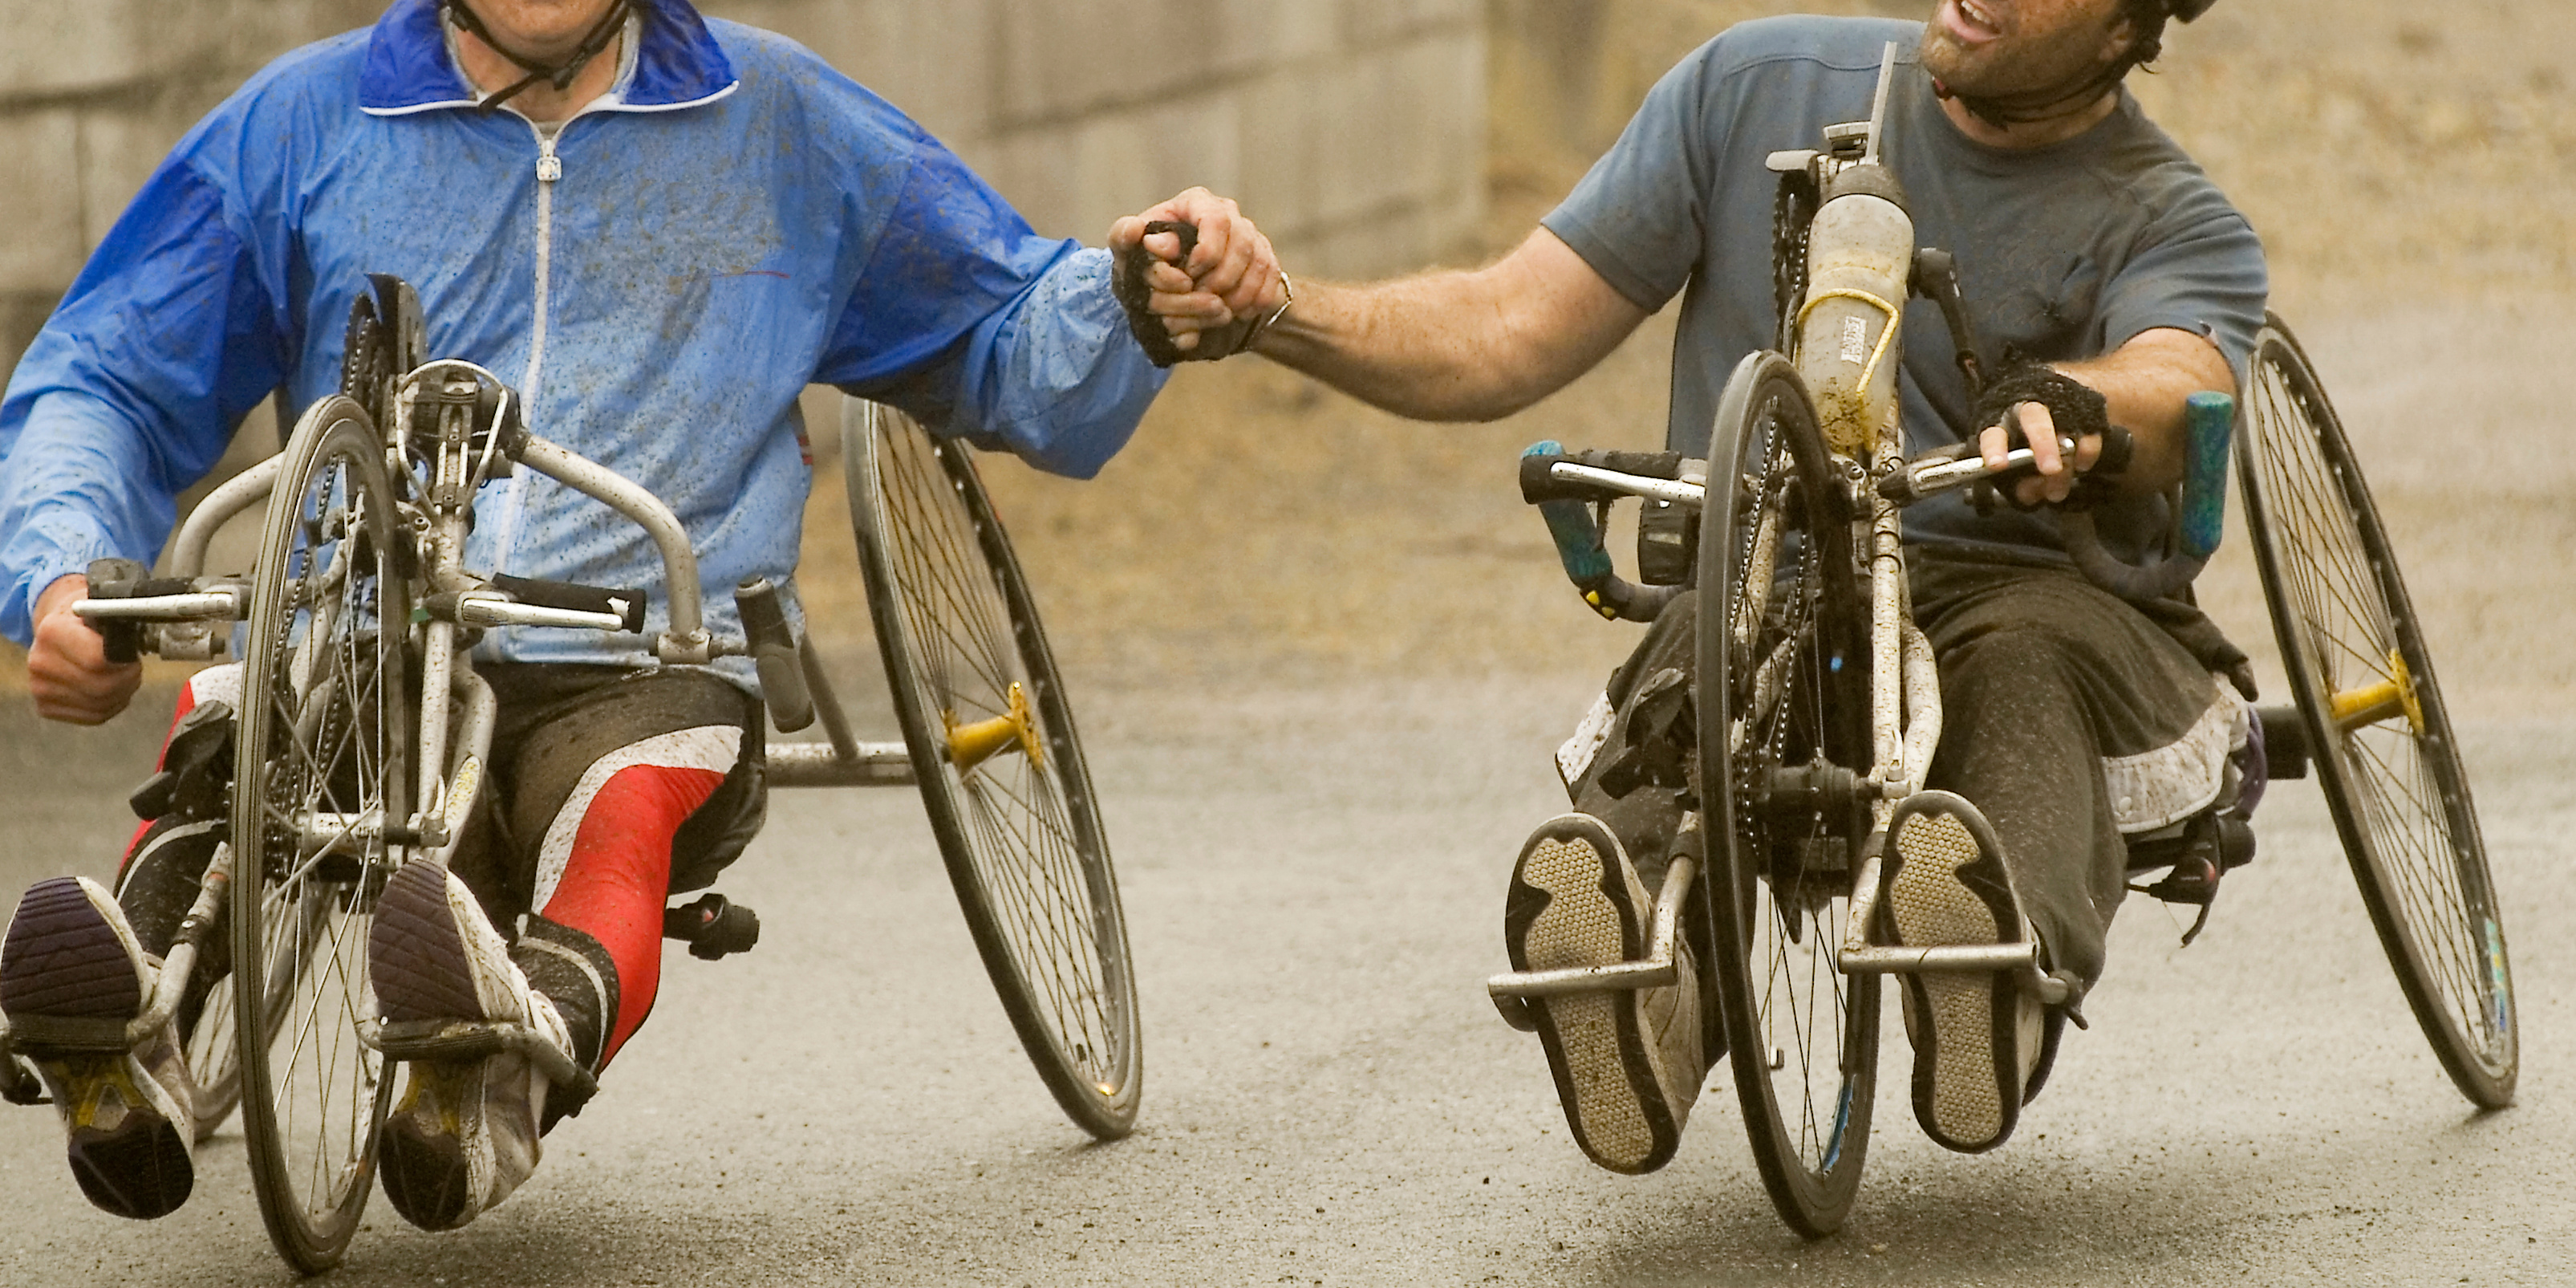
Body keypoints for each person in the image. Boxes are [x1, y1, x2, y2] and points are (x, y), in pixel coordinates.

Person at [0, 0, 1192, 1230]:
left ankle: (495, 1071)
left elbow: (1005, 326)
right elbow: (102, 373)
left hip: (647, 650)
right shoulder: (301, 127)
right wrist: (63, 576)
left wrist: (1141, 296)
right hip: (363, 636)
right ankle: (126, 1020)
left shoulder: (782, 120)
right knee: (238, 740)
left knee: (620, 806)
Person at [1110, 0, 2262, 1172]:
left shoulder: (2173, 216)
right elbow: (1504, 327)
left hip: (2024, 586)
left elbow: (2174, 376)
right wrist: (1273, 308)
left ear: (2130, 26)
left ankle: (1988, 982)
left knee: (2022, 681)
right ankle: (1634, 995)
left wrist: (2079, 404)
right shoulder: (1750, 86)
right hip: (1771, 567)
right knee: (1690, 692)